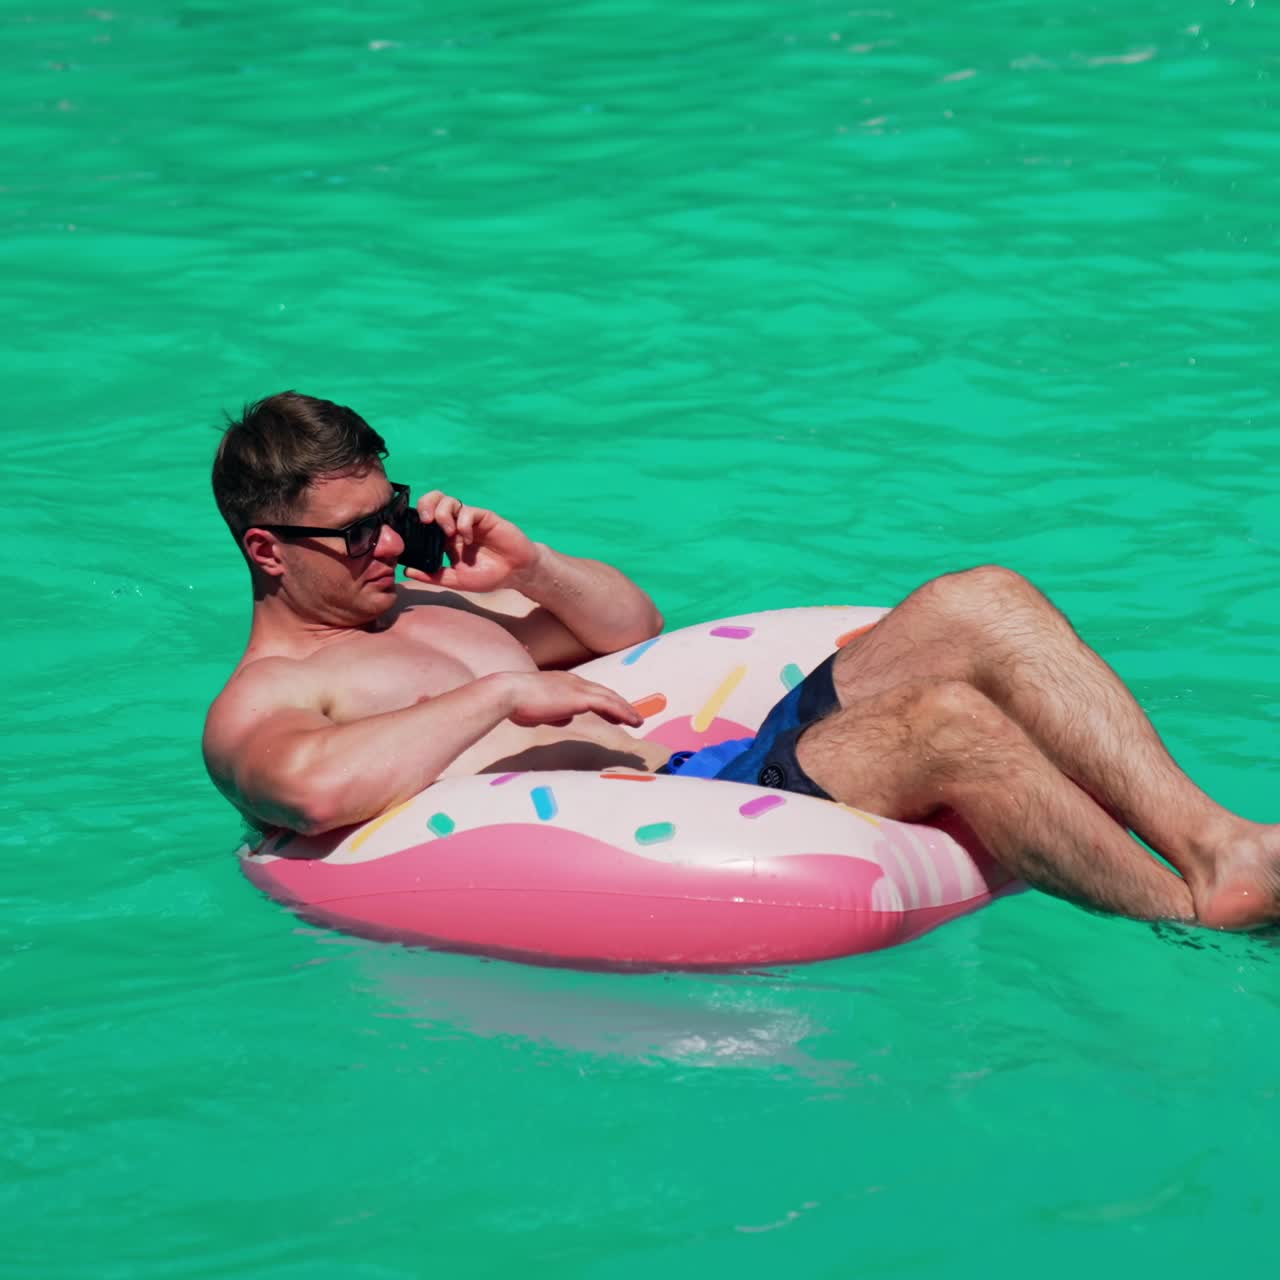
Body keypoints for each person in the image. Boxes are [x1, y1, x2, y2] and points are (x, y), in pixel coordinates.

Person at [203, 392, 1280, 931]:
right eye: (356, 533)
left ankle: (1218, 844)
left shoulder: (418, 602)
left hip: (709, 767)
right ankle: (1186, 918)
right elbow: (305, 788)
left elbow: (627, 624)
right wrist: (500, 689)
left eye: (390, 512)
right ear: (265, 549)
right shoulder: (271, 699)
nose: (391, 544)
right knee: (945, 722)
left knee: (982, 600)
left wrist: (528, 562)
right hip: (682, 825)